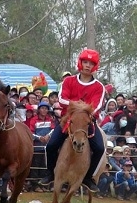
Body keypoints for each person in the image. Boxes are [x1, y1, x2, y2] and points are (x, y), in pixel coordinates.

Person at [39, 48, 106, 192]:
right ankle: (51, 173)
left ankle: (88, 177)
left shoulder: (99, 87)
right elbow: (62, 99)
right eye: (85, 62)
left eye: (91, 63)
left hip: (87, 123)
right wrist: (81, 107)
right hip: (68, 121)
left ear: (95, 66)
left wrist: (79, 108)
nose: (87, 65)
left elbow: (97, 106)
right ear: (80, 63)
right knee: (50, 146)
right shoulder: (69, 81)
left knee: (100, 148)